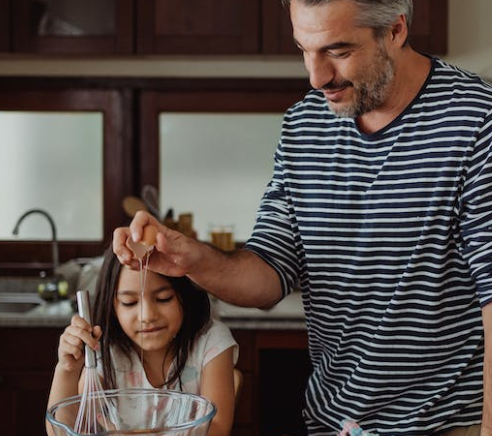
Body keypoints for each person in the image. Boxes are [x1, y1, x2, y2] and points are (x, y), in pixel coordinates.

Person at [113, 0, 492, 435]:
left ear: (395, 30)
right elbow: (268, 275)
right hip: (334, 424)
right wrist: (191, 259)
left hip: (447, 426)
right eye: (303, 48)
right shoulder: (304, 125)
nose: (316, 77)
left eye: (339, 51)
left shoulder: (477, 122)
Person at [46, 246, 238, 436]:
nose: (146, 315)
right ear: (112, 307)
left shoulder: (210, 342)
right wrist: (67, 370)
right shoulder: (106, 351)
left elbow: (217, 428)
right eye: (129, 302)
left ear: (185, 295)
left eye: (163, 298)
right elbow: (67, 431)